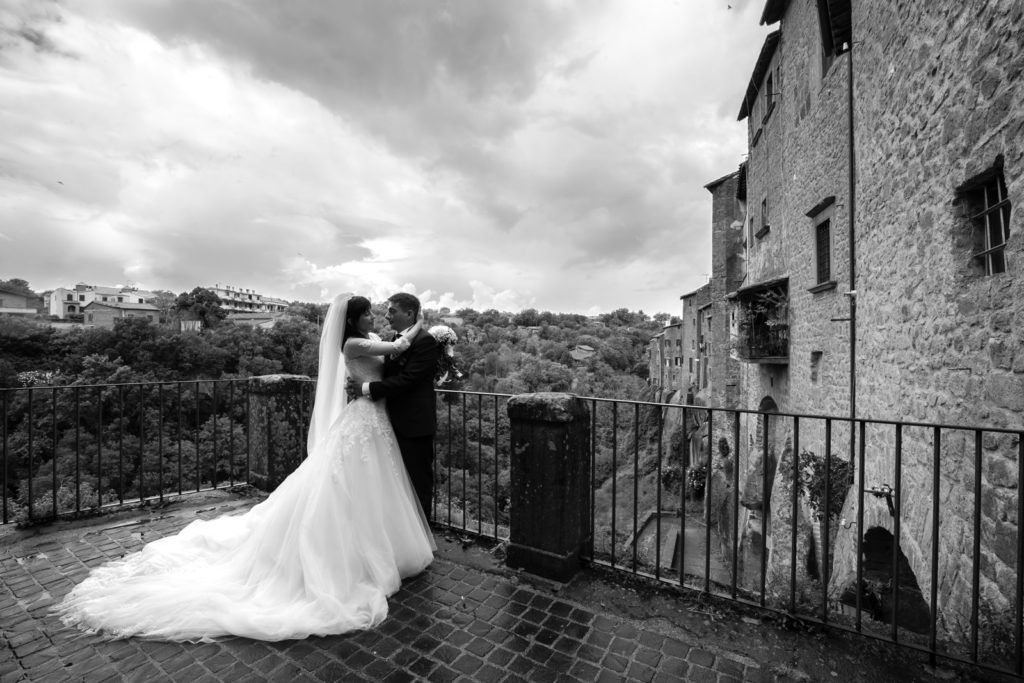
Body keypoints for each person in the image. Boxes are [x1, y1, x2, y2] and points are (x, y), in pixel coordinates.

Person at [55, 293, 435, 642]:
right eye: (368, 312)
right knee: (351, 484)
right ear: (353, 320)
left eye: (376, 310)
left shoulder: (361, 341)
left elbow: (397, 356)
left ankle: (377, 542)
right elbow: (400, 345)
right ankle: (356, 552)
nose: (374, 316)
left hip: (376, 420)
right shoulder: (353, 343)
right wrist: (425, 323)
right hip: (366, 417)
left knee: (371, 485)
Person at [348, 293, 440, 518]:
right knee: (395, 483)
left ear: (409, 313)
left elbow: (407, 380)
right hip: (386, 420)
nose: (385, 315)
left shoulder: (425, 341)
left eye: (392, 311)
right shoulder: (390, 339)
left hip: (413, 424)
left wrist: (366, 388)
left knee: (417, 482)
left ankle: (422, 537)